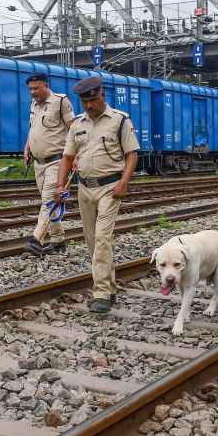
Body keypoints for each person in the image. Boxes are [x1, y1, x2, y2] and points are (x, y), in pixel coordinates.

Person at [55, 76, 139, 313]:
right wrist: (60, 186)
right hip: (84, 188)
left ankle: (101, 292)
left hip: (109, 188)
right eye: (85, 102)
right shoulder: (77, 125)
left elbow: (132, 153)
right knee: (92, 242)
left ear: (102, 95)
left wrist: (124, 181)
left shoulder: (119, 120)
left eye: (93, 100)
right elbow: (67, 157)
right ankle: (109, 287)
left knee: (102, 238)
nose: (89, 105)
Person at [22, 73, 75, 257]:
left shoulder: (61, 102)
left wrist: (74, 156)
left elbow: (73, 129)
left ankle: (36, 239)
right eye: (30, 89)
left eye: (36, 88)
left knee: (49, 201)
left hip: (57, 161)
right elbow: (33, 129)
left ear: (46, 85)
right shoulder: (34, 105)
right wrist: (27, 147)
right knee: (51, 203)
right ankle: (58, 240)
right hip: (39, 164)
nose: (32, 92)